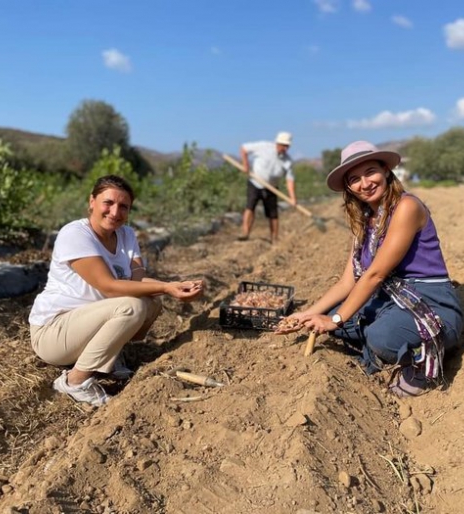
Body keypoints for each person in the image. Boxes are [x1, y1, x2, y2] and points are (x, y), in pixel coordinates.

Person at [285, 141, 463, 397]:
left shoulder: (407, 207)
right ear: (348, 188)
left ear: (386, 171)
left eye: (370, 172)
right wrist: (306, 315)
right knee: (338, 318)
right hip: (390, 300)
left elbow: (375, 274)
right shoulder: (365, 221)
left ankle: (425, 358)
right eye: (354, 179)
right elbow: (347, 283)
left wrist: (334, 320)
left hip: (429, 303)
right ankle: (390, 339)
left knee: (377, 336)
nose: (364, 183)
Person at [29, 175, 204, 407]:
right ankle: (74, 382)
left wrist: (175, 286)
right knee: (133, 305)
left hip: (87, 323)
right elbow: (109, 287)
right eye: (108, 203)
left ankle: (109, 357)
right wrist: (165, 287)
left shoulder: (126, 235)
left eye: (124, 207)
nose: (115, 212)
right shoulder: (75, 234)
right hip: (54, 333)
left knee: (151, 301)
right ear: (92, 201)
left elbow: (136, 279)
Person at [238, 131, 296, 244]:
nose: (284, 148)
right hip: (255, 183)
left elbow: (290, 180)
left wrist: (292, 198)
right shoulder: (263, 147)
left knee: (273, 213)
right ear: (277, 143)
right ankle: (245, 233)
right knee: (250, 207)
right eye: (282, 145)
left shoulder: (288, 161)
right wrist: (246, 165)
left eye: (286, 146)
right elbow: (244, 149)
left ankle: (274, 238)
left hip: (271, 188)